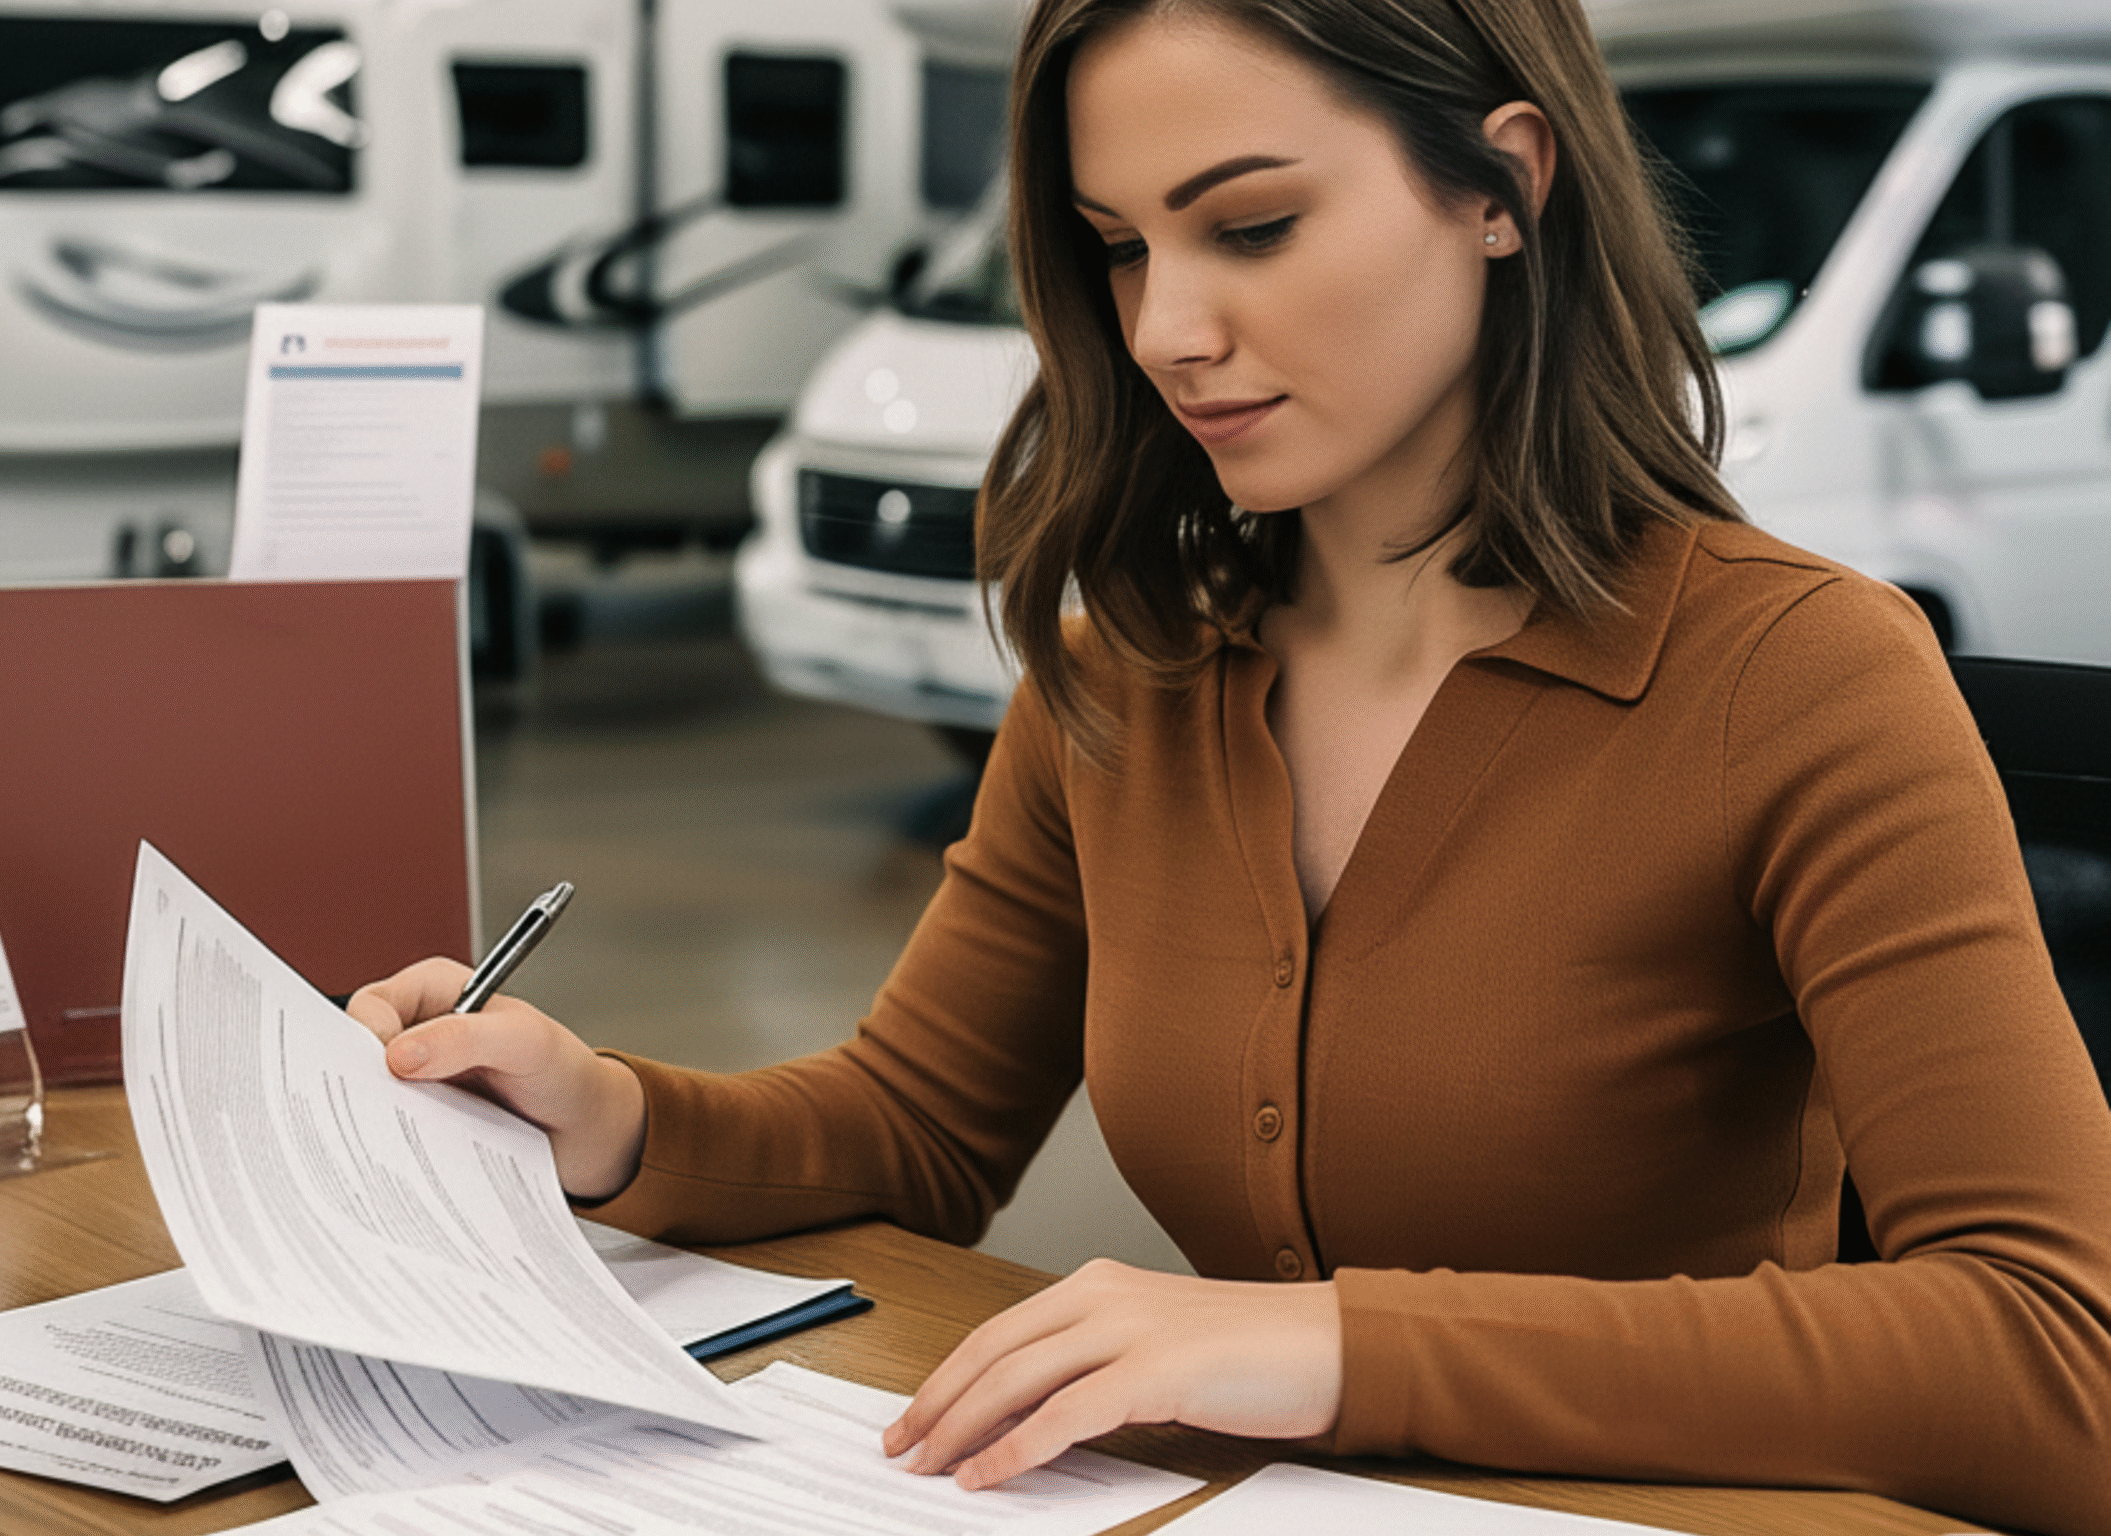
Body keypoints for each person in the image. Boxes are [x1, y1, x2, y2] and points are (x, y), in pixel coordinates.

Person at [348, 1, 2111, 1531]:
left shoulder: (1796, 675)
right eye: (1119, 246)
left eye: (1249, 228)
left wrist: (1341, 1343)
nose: (1165, 328)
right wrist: (607, 1117)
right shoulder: (1138, 652)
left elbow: (2060, 1354)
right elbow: (915, 1131)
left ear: (1503, 188)